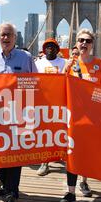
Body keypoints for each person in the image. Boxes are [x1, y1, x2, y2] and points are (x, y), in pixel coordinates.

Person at [0, 22, 37, 202]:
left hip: (18, 113)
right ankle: (4, 183)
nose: (5, 38)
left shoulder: (26, 58)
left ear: (15, 37)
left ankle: (12, 194)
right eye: (2, 35)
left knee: (15, 152)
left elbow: (36, 83)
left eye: (9, 35)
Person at [61, 29, 101, 202]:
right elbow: (60, 88)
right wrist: (65, 70)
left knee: (87, 153)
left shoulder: (100, 64)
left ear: (92, 44)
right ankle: (70, 191)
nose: (84, 43)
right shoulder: (70, 64)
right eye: (81, 40)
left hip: (94, 118)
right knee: (72, 153)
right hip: (74, 117)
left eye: (88, 41)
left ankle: (84, 180)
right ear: (76, 43)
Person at [35, 38, 66, 176]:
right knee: (44, 133)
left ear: (57, 49)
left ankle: (61, 155)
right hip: (43, 102)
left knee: (58, 132)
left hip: (60, 103)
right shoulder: (38, 63)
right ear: (44, 49)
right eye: (47, 46)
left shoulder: (64, 63)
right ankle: (44, 162)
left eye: (53, 46)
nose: (50, 48)